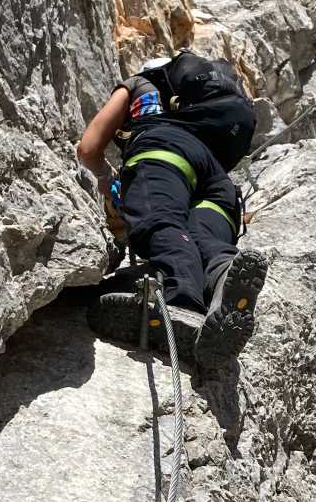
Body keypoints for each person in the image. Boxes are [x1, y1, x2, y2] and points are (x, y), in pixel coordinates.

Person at [76, 47, 267, 365]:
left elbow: (89, 148)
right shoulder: (206, 109)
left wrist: (106, 179)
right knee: (207, 239)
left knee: (163, 223)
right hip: (219, 183)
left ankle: (180, 301)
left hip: (164, 151)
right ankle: (223, 277)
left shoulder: (140, 83)